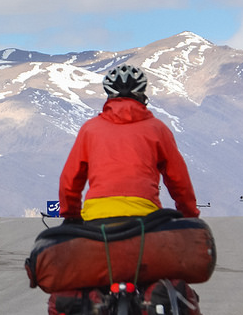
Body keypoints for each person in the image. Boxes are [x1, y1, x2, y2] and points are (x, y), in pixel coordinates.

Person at [58, 64, 199, 224]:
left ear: (109, 96)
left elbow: (70, 179)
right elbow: (179, 180)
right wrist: (189, 214)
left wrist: (71, 215)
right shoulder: (158, 129)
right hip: (145, 215)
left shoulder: (90, 129)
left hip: (96, 215)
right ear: (142, 96)